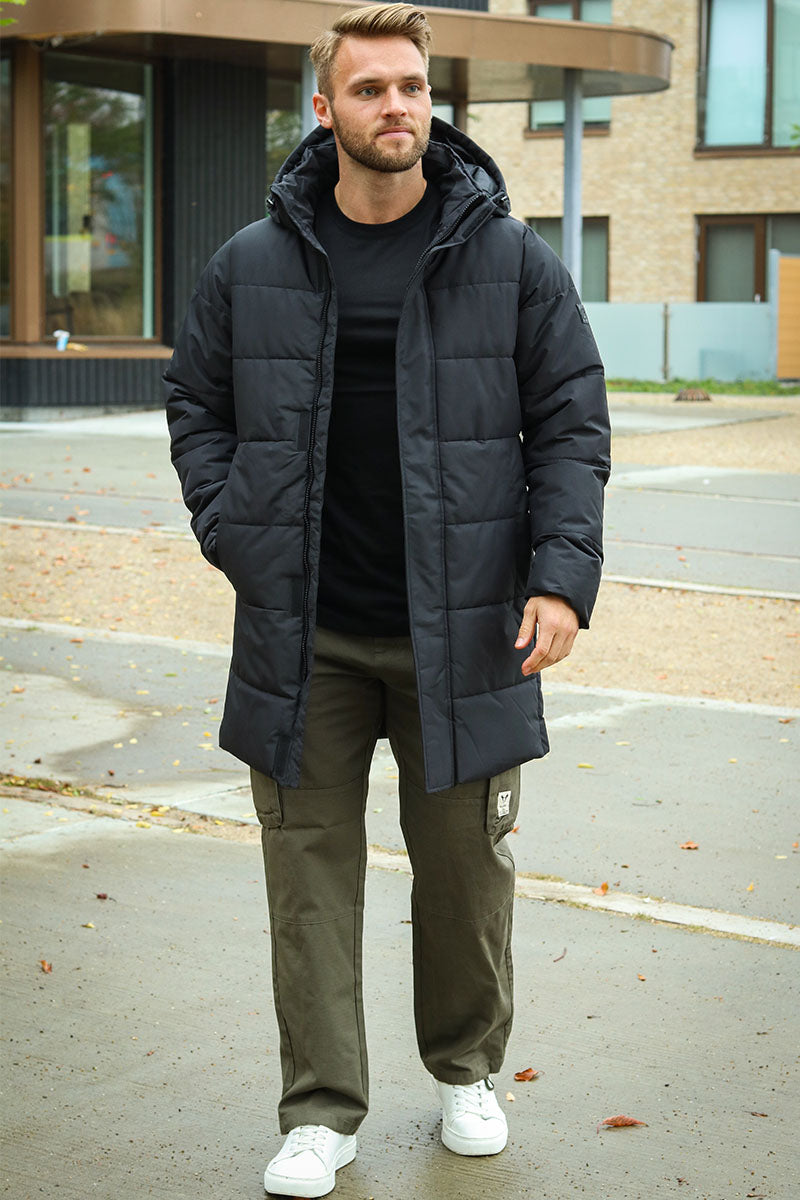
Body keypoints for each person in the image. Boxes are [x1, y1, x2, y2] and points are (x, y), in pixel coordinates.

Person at [165, 4, 609, 1195]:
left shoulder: (506, 257)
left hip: (463, 631)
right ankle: (319, 1111)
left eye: (411, 86)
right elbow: (196, 400)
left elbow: (570, 420)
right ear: (325, 110)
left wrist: (560, 578)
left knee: (465, 875)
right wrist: (232, 528)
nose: (396, 106)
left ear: (430, 100)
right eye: (369, 89)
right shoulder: (251, 262)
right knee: (307, 881)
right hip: (302, 635)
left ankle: (464, 1070)